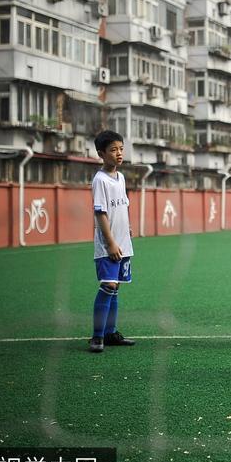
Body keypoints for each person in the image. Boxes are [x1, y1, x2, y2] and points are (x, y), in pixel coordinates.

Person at [88, 130, 136, 353]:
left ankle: (110, 333)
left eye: (121, 149)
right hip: (109, 245)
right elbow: (101, 214)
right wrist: (110, 243)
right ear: (101, 153)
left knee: (116, 288)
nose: (118, 154)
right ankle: (97, 336)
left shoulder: (121, 177)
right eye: (113, 150)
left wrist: (126, 229)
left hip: (123, 243)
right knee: (108, 286)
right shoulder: (100, 180)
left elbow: (122, 206)